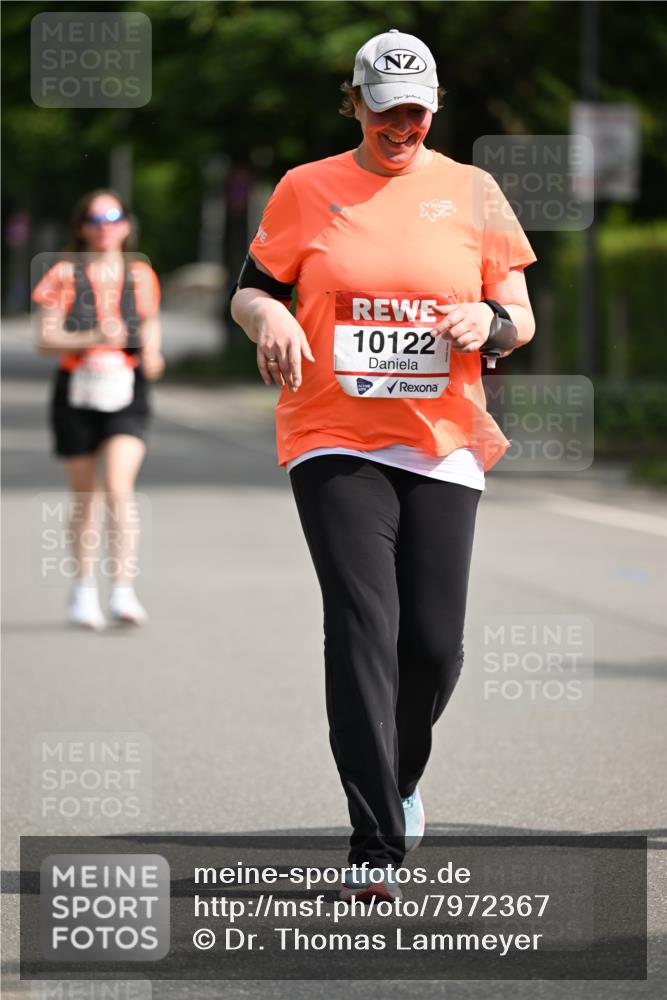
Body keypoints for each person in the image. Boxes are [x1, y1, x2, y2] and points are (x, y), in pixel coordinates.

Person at [231, 29, 536, 902]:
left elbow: (518, 313)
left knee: (434, 650)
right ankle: (374, 841)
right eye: (384, 108)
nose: (400, 125)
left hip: (440, 437)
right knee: (364, 626)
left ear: (433, 109)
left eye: (415, 110)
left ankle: (399, 777)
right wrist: (271, 320)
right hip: (332, 434)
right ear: (354, 103)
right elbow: (252, 285)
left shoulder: (471, 191)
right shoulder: (305, 188)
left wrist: (491, 322)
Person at [32, 189, 164, 629]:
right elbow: (46, 339)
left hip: (126, 388)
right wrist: (94, 336)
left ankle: (123, 590)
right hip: (77, 389)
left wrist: (153, 354)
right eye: (95, 218)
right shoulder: (63, 274)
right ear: (82, 227)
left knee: (119, 486)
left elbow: (149, 328)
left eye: (113, 216)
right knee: (86, 495)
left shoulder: (141, 275)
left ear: (126, 224)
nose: (105, 225)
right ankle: (84, 589)